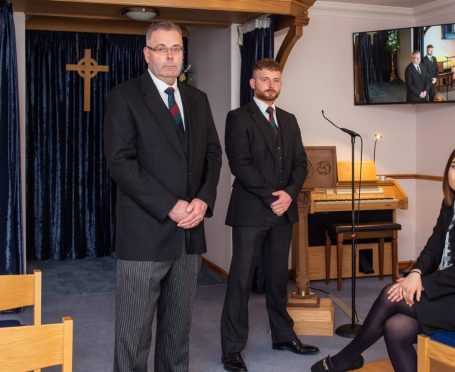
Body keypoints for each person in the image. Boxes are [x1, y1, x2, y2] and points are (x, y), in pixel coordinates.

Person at [311, 143, 455, 372]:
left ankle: (346, 358)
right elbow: (434, 247)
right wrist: (416, 272)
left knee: (391, 295)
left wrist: (422, 283)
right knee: (396, 327)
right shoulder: (451, 204)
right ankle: (348, 358)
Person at [104, 21, 222, 371]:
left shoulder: (197, 100)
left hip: (189, 236)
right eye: (162, 49)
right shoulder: (124, 97)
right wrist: (170, 206)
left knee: (176, 335)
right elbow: (120, 163)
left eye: (176, 49)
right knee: (133, 337)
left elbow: (213, 155)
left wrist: (203, 199)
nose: (170, 56)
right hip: (145, 235)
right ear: (147, 54)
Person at [220, 58, 318, 372]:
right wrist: (271, 197)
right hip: (250, 211)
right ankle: (232, 349)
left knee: (278, 280)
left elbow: (301, 163)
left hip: (283, 211)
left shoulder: (289, 120)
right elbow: (240, 164)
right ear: (253, 83)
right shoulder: (237, 118)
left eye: (276, 80)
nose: (270, 85)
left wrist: (289, 194)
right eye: (264, 79)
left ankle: (284, 336)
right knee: (241, 281)